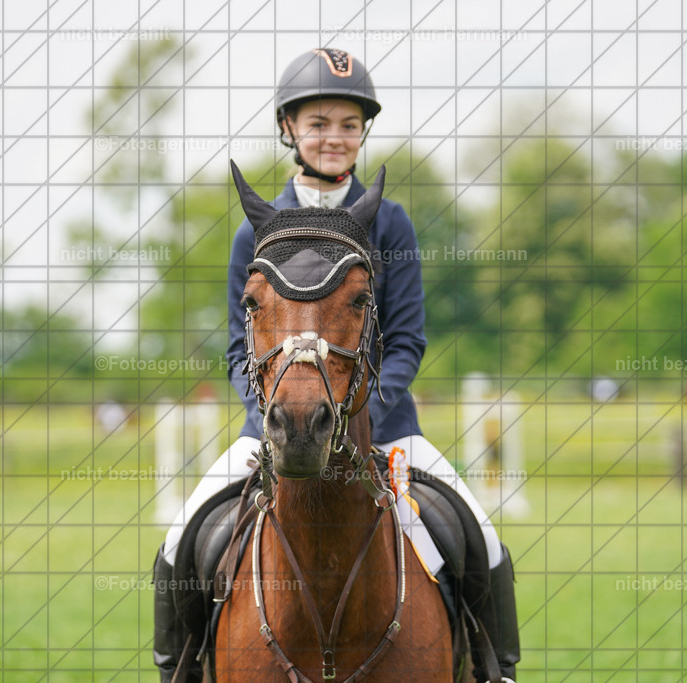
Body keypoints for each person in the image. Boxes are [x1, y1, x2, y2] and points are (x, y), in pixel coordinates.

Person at [153, 48, 520, 682]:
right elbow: (242, 350)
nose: (334, 137)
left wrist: (360, 418)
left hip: (383, 427)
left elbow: (404, 341)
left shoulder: (392, 223)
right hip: (274, 424)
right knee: (179, 542)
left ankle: (498, 671)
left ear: (363, 133)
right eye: (318, 123)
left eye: (349, 124)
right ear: (289, 129)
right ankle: (177, 671)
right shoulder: (256, 234)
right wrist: (267, 415)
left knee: (482, 538)